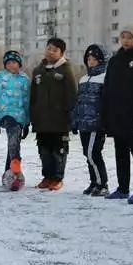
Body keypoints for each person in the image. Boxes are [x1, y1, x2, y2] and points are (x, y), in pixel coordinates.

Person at [101, 28, 133, 203]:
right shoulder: (115, 60)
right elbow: (108, 87)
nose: (126, 40)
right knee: (120, 152)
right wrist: (107, 112)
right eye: (123, 37)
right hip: (118, 115)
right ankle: (122, 188)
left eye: (130, 37)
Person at [30, 37, 78, 190]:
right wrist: (33, 115)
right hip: (42, 121)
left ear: (61, 53)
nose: (50, 52)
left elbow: (72, 95)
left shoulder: (66, 70)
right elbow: (33, 96)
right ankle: (47, 177)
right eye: (48, 48)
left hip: (59, 121)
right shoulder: (38, 71)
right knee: (44, 150)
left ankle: (57, 178)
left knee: (58, 150)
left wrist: (72, 117)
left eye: (55, 50)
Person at [72, 44, 109, 196]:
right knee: (87, 154)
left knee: (93, 153)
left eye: (94, 59)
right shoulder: (83, 79)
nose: (91, 61)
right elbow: (78, 102)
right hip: (84, 124)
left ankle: (102, 184)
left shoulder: (105, 77)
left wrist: (105, 121)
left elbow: (107, 102)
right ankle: (94, 182)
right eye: (88, 58)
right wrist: (75, 121)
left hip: (96, 124)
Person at [0, 50, 31, 174]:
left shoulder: (24, 79)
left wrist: (27, 122)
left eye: (14, 62)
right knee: (13, 134)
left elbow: (27, 102)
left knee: (14, 141)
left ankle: (9, 172)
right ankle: (16, 162)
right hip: (5, 114)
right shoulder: (0, 77)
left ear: (19, 64)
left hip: (20, 116)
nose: (12, 65)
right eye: (9, 63)